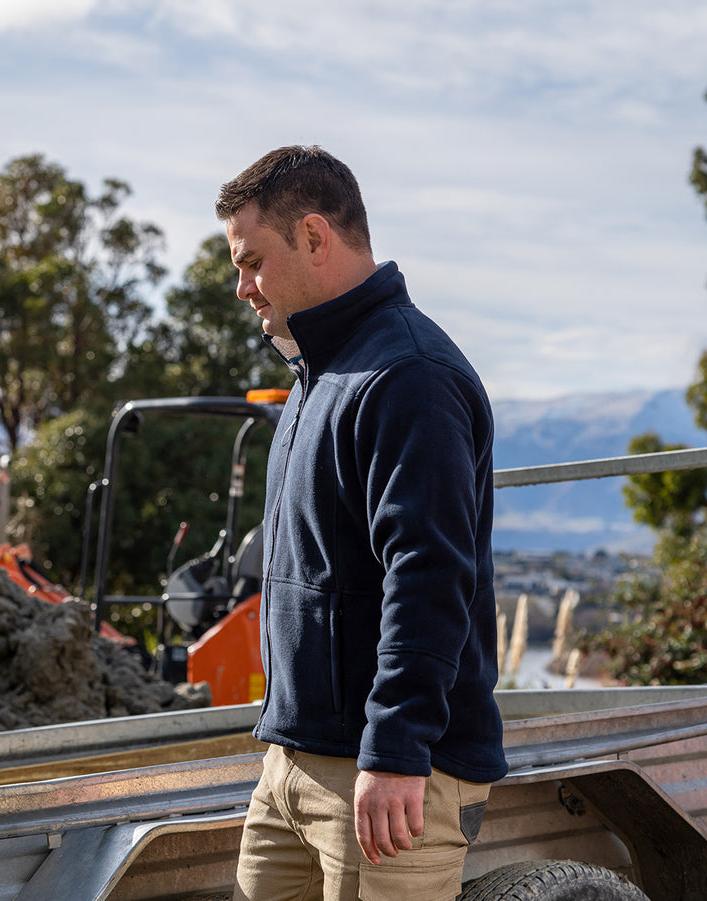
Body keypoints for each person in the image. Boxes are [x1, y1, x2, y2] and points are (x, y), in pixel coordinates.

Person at [215, 146, 507, 901]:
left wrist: (397, 747)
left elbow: (430, 572)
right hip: (294, 760)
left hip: (385, 774)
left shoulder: (408, 375)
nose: (241, 286)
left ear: (314, 236)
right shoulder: (318, 374)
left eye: (251, 261)